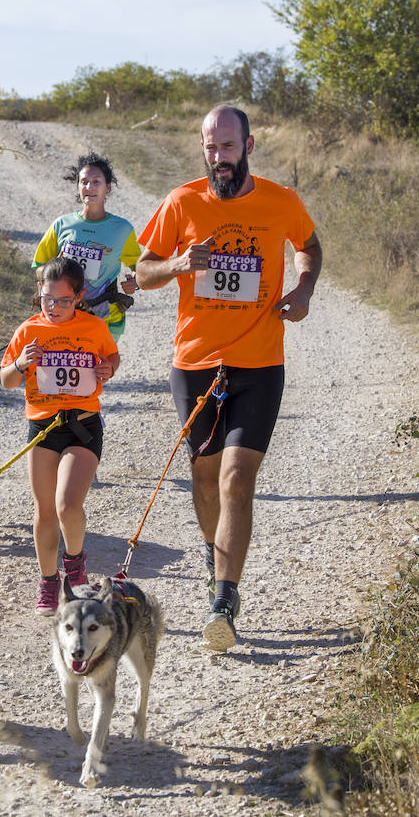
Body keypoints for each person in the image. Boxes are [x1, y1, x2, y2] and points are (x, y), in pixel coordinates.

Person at [134, 104, 323, 652]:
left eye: (228, 147)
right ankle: (215, 553)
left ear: (249, 145)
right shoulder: (181, 202)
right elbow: (143, 271)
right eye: (211, 147)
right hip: (195, 364)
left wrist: (303, 290)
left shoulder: (280, 202)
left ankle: (224, 597)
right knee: (204, 477)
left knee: (237, 477)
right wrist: (179, 266)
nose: (219, 157)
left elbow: (309, 246)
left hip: (260, 363)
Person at [1, 256, 121, 614]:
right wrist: (21, 363)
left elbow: (113, 359)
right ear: (39, 293)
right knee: (44, 510)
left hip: (82, 426)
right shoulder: (28, 330)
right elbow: (6, 379)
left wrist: (107, 368)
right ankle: (49, 581)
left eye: (63, 301)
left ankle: (74, 562)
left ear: (79, 296)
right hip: (43, 427)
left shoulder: (94, 327)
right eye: (47, 299)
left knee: (68, 504)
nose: (53, 307)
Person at [32, 153, 140, 340]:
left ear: (107, 187)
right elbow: (39, 267)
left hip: (103, 314)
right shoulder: (61, 225)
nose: (89, 187)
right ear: (78, 186)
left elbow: (140, 267)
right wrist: (60, 275)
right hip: (62, 312)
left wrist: (135, 282)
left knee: (99, 368)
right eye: (84, 182)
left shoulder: (122, 229)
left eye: (96, 181)